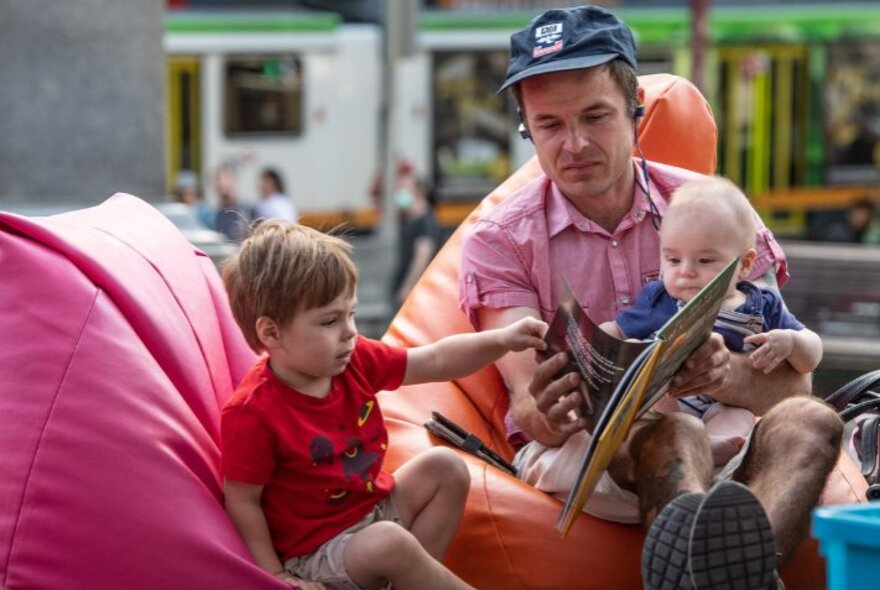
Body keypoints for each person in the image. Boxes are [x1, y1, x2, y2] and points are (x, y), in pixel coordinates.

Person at [458, 6, 843, 589]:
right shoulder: (500, 240)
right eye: (549, 126)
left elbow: (794, 384)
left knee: (811, 420)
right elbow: (530, 413)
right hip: (586, 452)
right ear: (526, 129)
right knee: (674, 432)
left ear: (635, 108)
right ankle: (726, 573)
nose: (575, 144)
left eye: (595, 116)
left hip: (724, 425)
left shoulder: (711, 207)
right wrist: (559, 401)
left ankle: (723, 576)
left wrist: (723, 374)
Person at [221, 220, 548, 590]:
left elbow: (435, 361)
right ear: (271, 333)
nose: (349, 331)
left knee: (446, 467)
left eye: (351, 314)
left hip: (372, 514)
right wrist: (275, 576)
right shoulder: (253, 411)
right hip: (315, 555)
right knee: (389, 544)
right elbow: (243, 500)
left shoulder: (354, 359)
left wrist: (503, 339)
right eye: (330, 321)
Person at [597, 176, 823, 466]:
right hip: (670, 406)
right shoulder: (660, 299)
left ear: (744, 264)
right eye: (674, 260)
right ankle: (677, 445)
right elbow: (615, 330)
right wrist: (598, 343)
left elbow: (811, 357)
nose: (686, 273)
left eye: (704, 261)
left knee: (737, 417)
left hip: (725, 405)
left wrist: (790, 343)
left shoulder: (760, 303)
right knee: (642, 383)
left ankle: (711, 447)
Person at [390, 162, 439, 306]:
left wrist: (408, 286)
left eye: (404, 189)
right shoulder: (407, 218)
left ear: (418, 192)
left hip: (413, 291)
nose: (400, 193)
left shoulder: (425, 221)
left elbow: (422, 254)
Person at [212, 164, 250, 243]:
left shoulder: (248, 210)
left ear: (234, 180)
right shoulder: (216, 215)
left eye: (227, 178)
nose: (222, 182)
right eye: (218, 179)